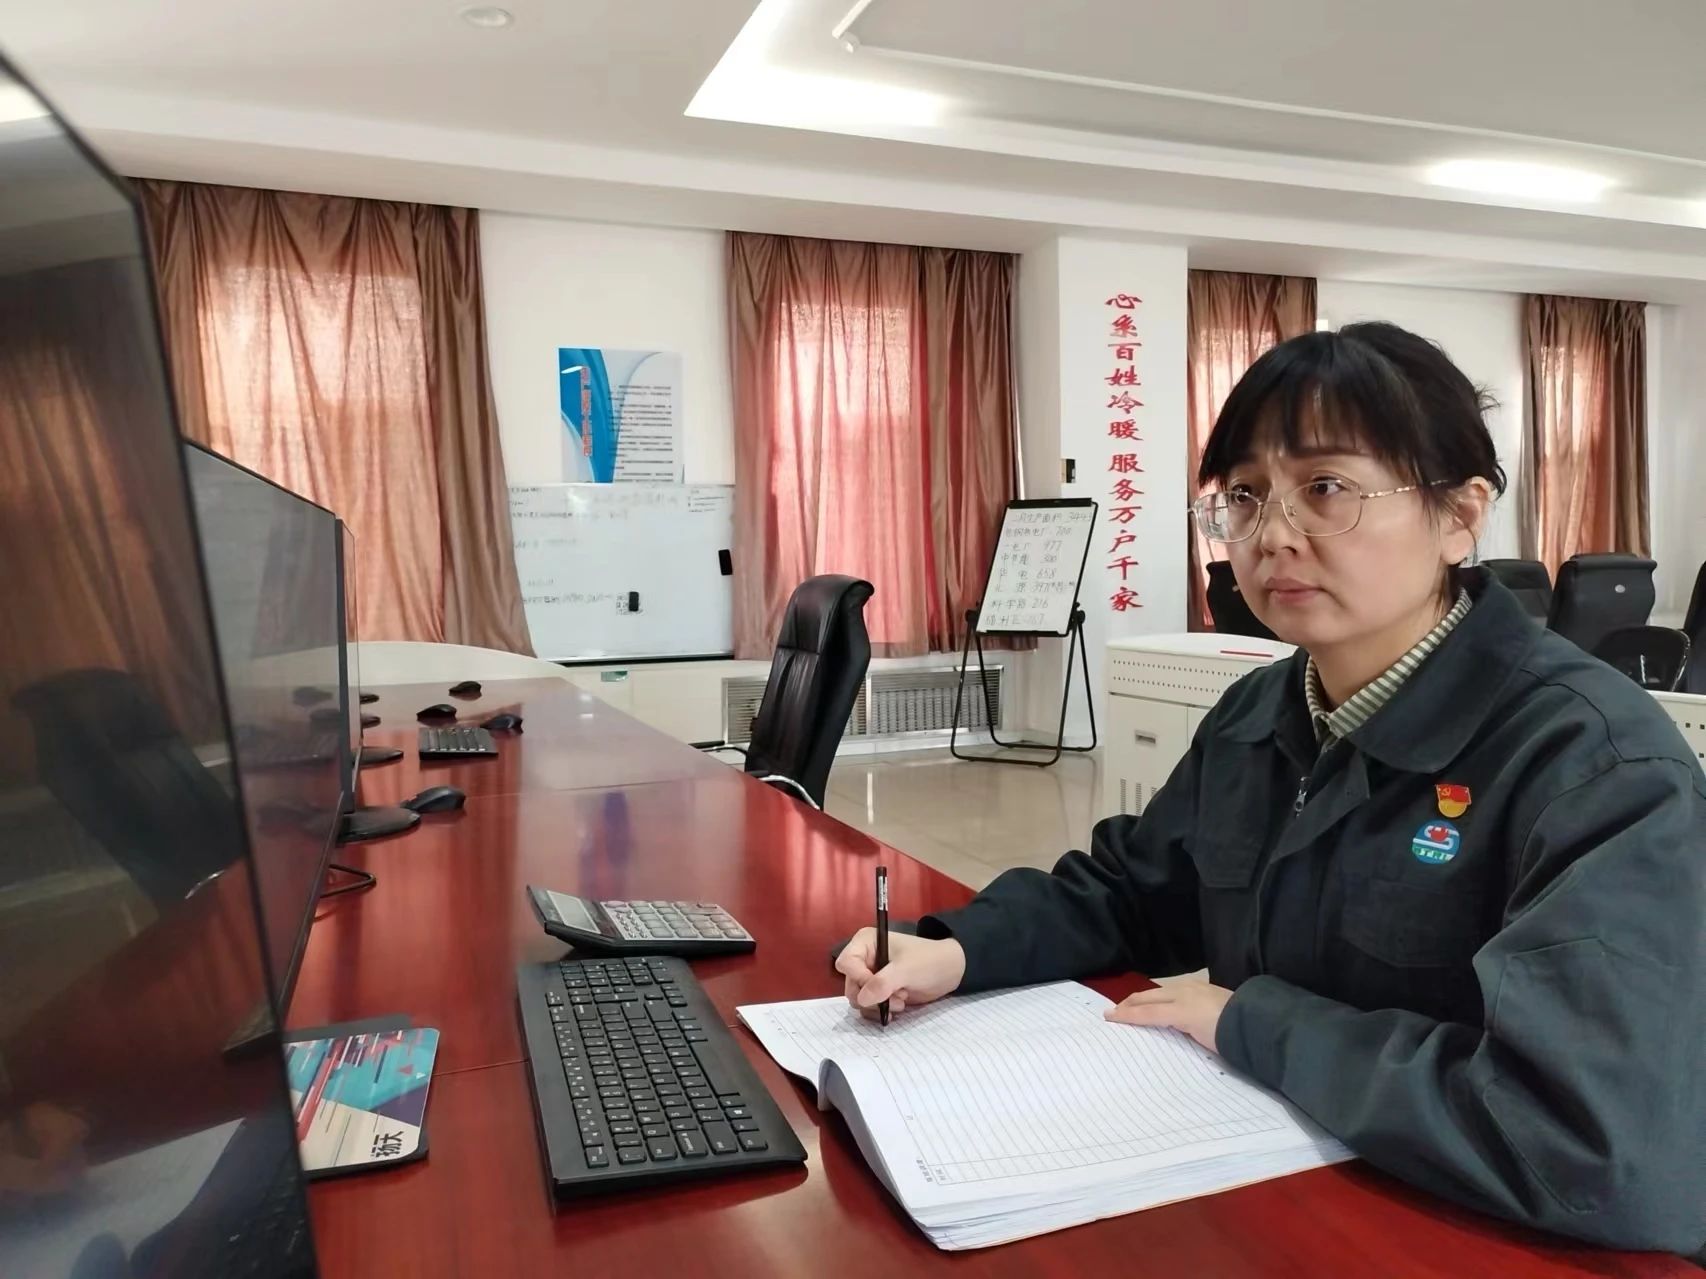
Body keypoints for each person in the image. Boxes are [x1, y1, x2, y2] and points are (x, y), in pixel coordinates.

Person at [836, 322, 1705, 1256]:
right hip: (1279, 1188)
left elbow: (1591, 1146)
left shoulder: (1593, 766)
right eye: (1245, 496)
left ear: (1460, 515)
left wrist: (1254, 1022)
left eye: (1326, 488)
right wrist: (959, 948)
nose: (1273, 535)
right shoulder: (1259, 712)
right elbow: (1135, 892)